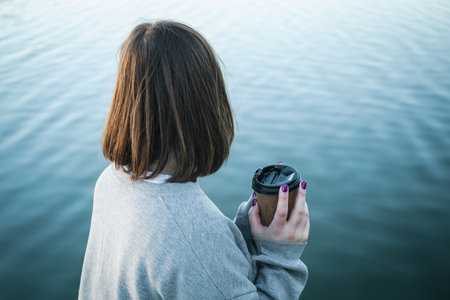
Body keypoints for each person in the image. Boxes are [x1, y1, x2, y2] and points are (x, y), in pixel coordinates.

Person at [78, 20, 310, 299]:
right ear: (206, 108)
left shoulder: (111, 180)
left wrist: (244, 231)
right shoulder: (197, 239)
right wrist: (280, 257)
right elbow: (195, 254)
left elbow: (198, 271)